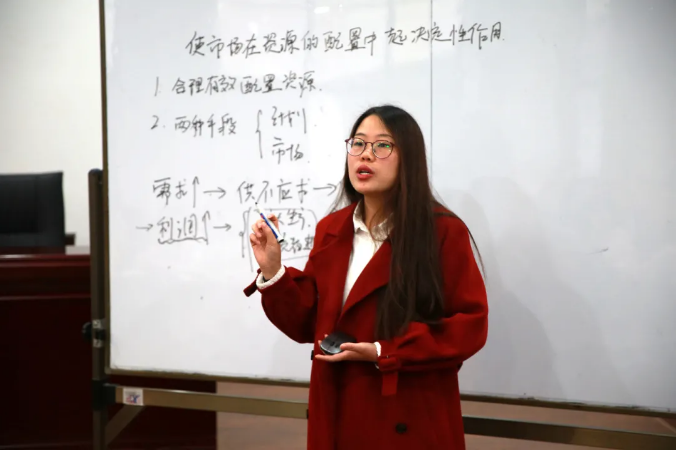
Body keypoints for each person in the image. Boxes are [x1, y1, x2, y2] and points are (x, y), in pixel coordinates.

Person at [244, 105, 488, 449]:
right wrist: (273, 270)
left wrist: (383, 351)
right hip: (336, 408)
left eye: (382, 145)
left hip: (407, 413)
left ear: (409, 159)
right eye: (358, 143)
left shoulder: (441, 231)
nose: (366, 155)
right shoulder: (332, 229)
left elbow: (470, 326)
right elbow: (307, 323)